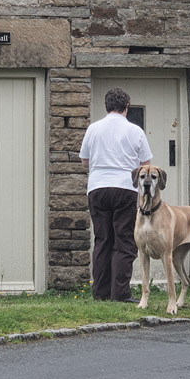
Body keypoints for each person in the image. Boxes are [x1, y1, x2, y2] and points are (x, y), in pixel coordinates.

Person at [79, 87, 152, 303]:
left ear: (107, 106)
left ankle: (100, 293)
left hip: (98, 188)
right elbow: (145, 166)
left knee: (102, 240)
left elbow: (84, 161)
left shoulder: (93, 128)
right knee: (124, 240)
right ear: (126, 107)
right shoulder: (135, 131)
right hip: (125, 188)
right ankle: (120, 293)